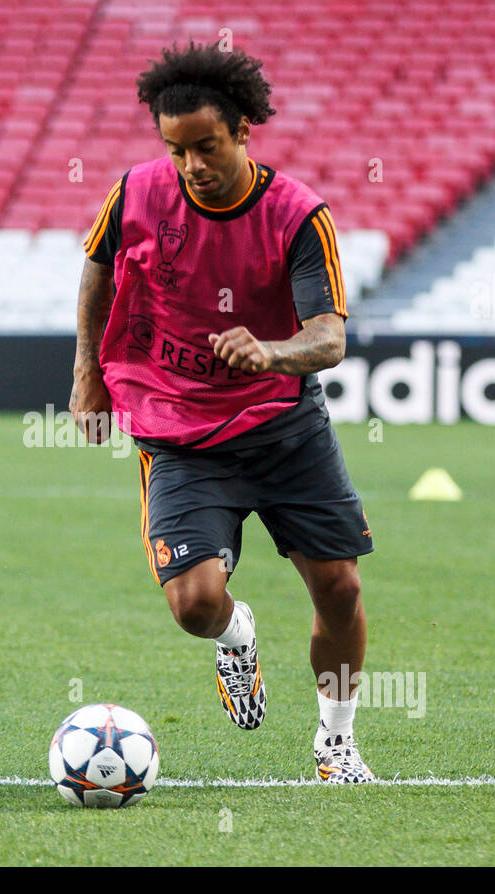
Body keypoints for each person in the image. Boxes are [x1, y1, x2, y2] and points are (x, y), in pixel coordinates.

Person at [69, 42, 375, 783]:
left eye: (205, 146)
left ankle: (335, 743)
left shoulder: (299, 216)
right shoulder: (138, 193)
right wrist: (87, 372)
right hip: (179, 431)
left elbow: (330, 337)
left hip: (283, 427)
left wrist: (270, 353)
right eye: (176, 149)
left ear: (243, 131)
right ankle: (237, 637)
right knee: (194, 605)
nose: (191, 165)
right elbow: (99, 266)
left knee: (339, 587)